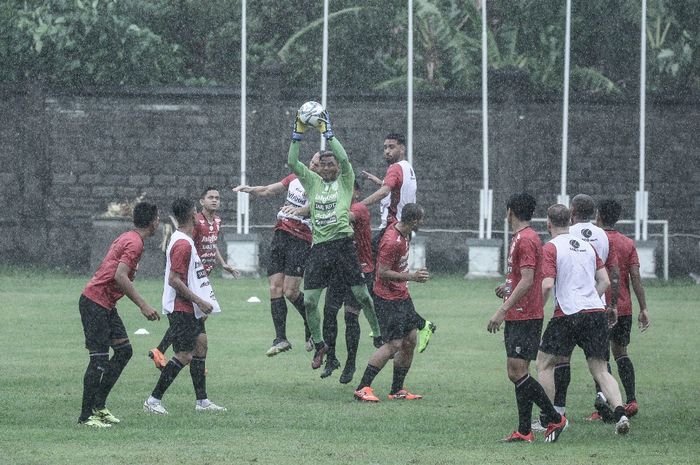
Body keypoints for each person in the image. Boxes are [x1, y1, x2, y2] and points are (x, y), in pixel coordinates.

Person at [288, 108, 382, 370]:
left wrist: (327, 133)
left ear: (339, 168)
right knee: (308, 300)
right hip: (320, 248)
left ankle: (377, 332)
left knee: (362, 295)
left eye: (332, 164)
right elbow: (293, 163)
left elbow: (343, 156)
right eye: (324, 164)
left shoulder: (345, 180)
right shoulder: (313, 182)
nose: (328, 167)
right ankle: (320, 346)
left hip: (343, 245)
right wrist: (297, 134)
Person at [536, 204, 630, 439]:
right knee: (600, 369)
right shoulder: (588, 248)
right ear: (570, 221)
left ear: (548, 223)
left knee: (544, 363)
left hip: (567, 313)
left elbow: (547, 284)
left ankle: (550, 419)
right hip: (595, 312)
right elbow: (606, 282)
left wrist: (539, 307)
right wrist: (590, 297)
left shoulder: (550, 247)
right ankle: (620, 413)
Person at [486, 193, 562, 443]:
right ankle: (524, 430)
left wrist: (502, 309)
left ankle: (553, 417)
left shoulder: (527, 239)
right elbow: (523, 278)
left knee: (516, 371)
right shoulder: (522, 237)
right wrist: (507, 287)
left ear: (510, 211)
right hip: (521, 312)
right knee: (518, 371)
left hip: (525, 315)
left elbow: (529, 280)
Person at [77, 201, 161, 427]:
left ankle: (99, 405)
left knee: (124, 351)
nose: (159, 222)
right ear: (153, 222)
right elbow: (120, 276)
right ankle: (86, 416)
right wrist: (143, 305)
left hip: (105, 305)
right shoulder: (134, 244)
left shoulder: (129, 237)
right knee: (99, 359)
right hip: (95, 302)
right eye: (158, 218)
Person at [232, 155, 320, 357]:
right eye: (312, 162)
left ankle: (310, 324)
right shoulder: (295, 177)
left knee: (290, 291)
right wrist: (251, 189)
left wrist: (299, 210)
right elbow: (270, 189)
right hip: (281, 234)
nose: (313, 166)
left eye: (318, 165)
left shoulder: (320, 186)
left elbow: (313, 208)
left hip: (300, 239)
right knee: (274, 287)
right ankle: (281, 338)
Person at [143, 198, 225, 415]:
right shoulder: (181, 244)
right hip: (181, 307)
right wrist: (199, 300)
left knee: (201, 345)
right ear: (192, 215)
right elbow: (174, 280)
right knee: (184, 355)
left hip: (191, 308)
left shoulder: (186, 240)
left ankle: (202, 402)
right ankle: (153, 400)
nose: (199, 216)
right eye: (197, 213)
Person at [361, 133, 435, 353]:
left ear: (402, 148)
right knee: (392, 284)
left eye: (391, 147)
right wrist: (378, 181)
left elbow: (386, 191)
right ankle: (410, 326)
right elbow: (394, 190)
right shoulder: (408, 169)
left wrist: (359, 207)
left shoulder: (395, 169)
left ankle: (385, 328)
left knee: (370, 276)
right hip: (401, 232)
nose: (387, 151)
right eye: (384, 147)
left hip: (391, 229)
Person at [149, 187, 239, 369]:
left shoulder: (217, 221)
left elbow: (212, 244)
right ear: (201, 202)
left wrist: (222, 263)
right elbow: (189, 244)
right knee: (194, 318)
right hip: (193, 276)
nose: (214, 200)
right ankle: (182, 355)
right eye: (210, 197)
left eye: (217, 198)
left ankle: (188, 355)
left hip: (205, 274)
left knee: (199, 318)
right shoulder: (196, 222)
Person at [353, 203, 429, 403]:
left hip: (401, 296)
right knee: (394, 344)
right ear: (413, 221)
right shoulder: (392, 241)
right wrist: (411, 276)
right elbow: (382, 272)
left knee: (411, 339)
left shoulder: (402, 230)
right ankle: (362, 388)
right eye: (421, 219)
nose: (422, 222)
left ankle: (397, 389)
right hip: (387, 299)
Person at [586, 198, 650, 420]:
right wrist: (644, 308)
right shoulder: (627, 243)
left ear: (598, 216)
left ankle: (603, 404)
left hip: (600, 307)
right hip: (624, 307)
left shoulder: (596, 240)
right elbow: (635, 278)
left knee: (599, 359)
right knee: (621, 353)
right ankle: (631, 400)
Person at [320, 180, 374, 383]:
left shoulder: (359, 208)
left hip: (359, 270)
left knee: (350, 317)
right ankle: (331, 358)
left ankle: (351, 363)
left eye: (348, 189)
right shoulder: (335, 206)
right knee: (328, 313)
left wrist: (316, 212)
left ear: (357, 193)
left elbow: (343, 218)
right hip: (337, 271)